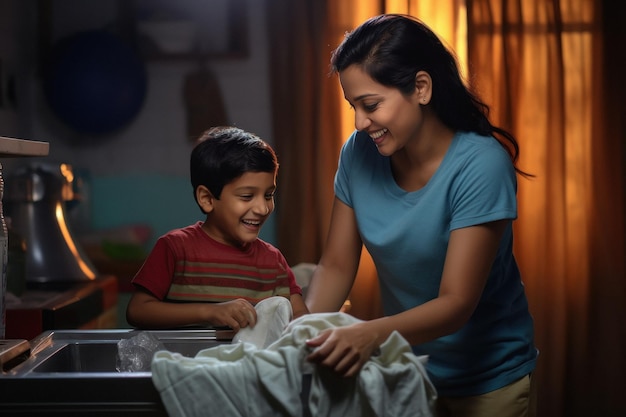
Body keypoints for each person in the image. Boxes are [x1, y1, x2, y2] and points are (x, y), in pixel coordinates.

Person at [304, 14, 538, 417]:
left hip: (488, 382)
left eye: (371, 105)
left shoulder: (481, 166)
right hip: (409, 373)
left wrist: (368, 334)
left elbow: (456, 303)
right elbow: (337, 265)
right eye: (353, 106)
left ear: (421, 88)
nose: (360, 123)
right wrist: (299, 338)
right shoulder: (358, 153)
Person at [126, 126, 308, 331]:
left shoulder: (273, 261)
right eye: (247, 196)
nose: (263, 208)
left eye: (268, 195)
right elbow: (138, 310)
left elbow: (300, 315)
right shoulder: (175, 248)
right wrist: (210, 312)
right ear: (207, 199)